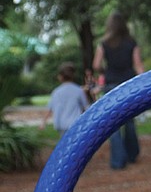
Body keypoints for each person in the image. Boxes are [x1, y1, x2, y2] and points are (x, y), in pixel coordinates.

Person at [93, 11, 145, 169]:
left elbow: (96, 65)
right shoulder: (132, 42)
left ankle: (117, 161)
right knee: (129, 121)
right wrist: (144, 82)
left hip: (111, 85)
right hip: (129, 85)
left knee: (112, 124)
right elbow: (138, 65)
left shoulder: (103, 43)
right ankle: (132, 154)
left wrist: (105, 71)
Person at [42, 62, 89, 137]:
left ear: (60, 77)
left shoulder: (56, 92)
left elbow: (50, 109)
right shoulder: (78, 90)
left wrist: (43, 122)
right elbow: (86, 107)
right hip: (74, 123)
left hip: (60, 124)